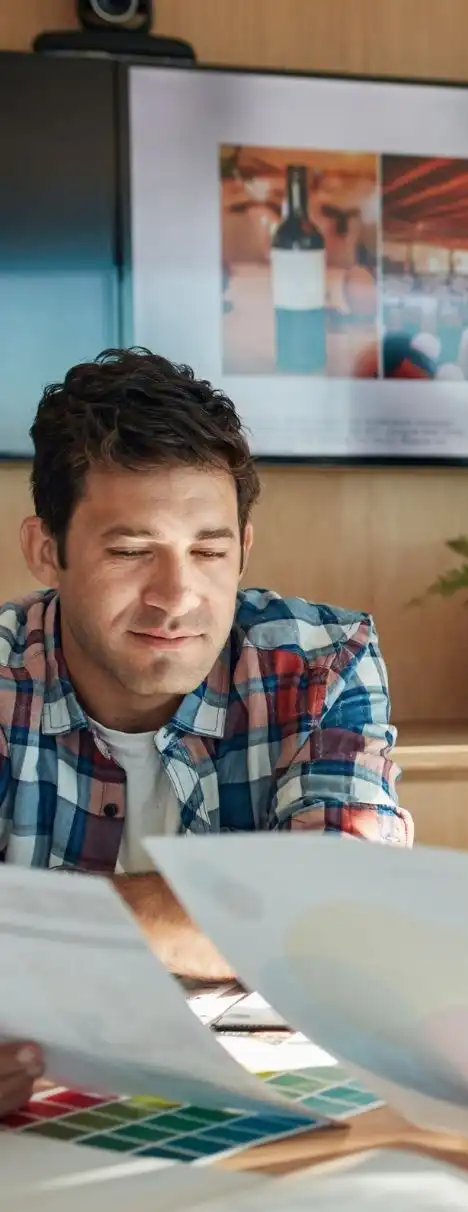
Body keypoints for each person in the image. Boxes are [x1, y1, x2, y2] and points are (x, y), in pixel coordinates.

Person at [0, 348, 413, 980]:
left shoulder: (323, 664)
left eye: (209, 552)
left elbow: (340, 920)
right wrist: (242, 912)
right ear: (45, 549)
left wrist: (36, 918)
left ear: (243, 549)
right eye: (133, 551)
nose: (177, 596)